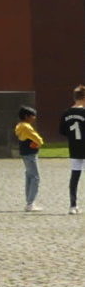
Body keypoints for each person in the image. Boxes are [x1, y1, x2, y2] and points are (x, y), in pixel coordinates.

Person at [61, 86, 85, 214]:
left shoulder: (66, 113)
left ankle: (73, 206)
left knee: (74, 177)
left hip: (74, 148)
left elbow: (62, 131)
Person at [15, 104, 43, 212]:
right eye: (33, 115)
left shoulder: (19, 126)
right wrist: (40, 143)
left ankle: (29, 201)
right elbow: (38, 139)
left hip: (25, 153)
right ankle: (30, 203)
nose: (34, 118)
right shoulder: (26, 127)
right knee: (35, 178)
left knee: (29, 176)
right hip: (30, 153)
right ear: (27, 116)